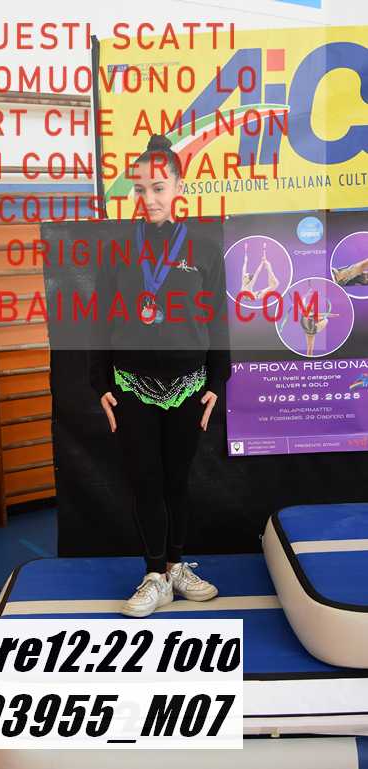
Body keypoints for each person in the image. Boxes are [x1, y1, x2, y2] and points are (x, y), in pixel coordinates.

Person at [88, 133, 232, 618]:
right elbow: (98, 319)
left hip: (188, 386)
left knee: (177, 481)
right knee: (146, 481)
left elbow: (217, 320)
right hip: (132, 387)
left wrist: (216, 382)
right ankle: (154, 576)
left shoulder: (205, 249)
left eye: (158, 187)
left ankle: (175, 567)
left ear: (177, 187)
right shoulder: (117, 250)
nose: (148, 198)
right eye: (140, 188)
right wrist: (101, 384)